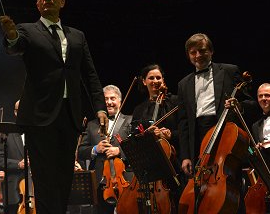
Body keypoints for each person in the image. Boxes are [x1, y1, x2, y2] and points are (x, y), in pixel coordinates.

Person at [0, 0, 108, 214]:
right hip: (39, 116)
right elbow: (16, 47)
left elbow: (89, 73)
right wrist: (10, 36)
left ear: (62, 1)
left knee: (64, 178)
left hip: (69, 116)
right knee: (44, 178)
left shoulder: (77, 36)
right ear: (38, 4)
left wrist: (100, 107)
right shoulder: (27, 30)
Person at [177, 33, 250, 213]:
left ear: (211, 51)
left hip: (225, 132)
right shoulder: (183, 84)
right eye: (193, 53)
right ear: (188, 56)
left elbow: (250, 103)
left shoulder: (229, 71)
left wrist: (238, 106)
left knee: (229, 182)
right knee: (200, 191)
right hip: (198, 135)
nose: (198, 56)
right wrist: (186, 155)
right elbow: (184, 122)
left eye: (202, 51)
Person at [129, 64, 182, 211]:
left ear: (163, 80)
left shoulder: (175, 102)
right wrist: (145, 135)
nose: (155, 81)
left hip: (173, 163)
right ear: (144, 81)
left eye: (158, 77)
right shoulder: (139, 110)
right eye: (151, 78)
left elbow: (186, 130)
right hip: (149, 167)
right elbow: (133, 137)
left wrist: (171, 134)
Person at [78, 84, 131, 214]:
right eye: (105, 99)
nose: (109, 102)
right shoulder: (91, 125)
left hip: (126, 179)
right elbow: (80, 151)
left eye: (112, 98)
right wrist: (96, 149)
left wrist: (119, 151)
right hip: (100, 182)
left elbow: (137, 147)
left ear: (120, 100)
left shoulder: (130, 121)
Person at [0, 100, 26, 214]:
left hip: (37, 191)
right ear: (15, 112)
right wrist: (18, 164)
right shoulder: (7, 133)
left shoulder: (40, 134)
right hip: (13, 193)